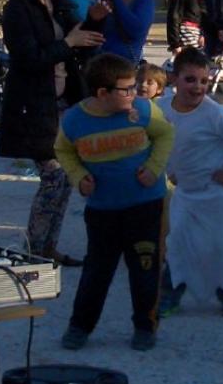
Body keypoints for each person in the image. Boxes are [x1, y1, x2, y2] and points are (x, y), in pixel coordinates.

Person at [57, 53, 175, 352]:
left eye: (135, 87)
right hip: (102, 210)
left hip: (146, 206)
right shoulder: (74, 120)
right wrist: (79, 177)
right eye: (127, 89)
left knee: (145, 269)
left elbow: (165, 136)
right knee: (97, 271)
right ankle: (80, 326)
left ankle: (145, 325)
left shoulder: (143, 111)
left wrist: (153, 168)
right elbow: (64, 152)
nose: (135, 93)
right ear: (102, 94)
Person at [1, 0, 102, 267]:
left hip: (60, 102)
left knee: (65, 178)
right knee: (55, 176)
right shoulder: (18, 9)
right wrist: (68, 44)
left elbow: (76, 38)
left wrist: (93, 23)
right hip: (34, 104)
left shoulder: (53, 2)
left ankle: (47, 248)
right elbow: (29, 57)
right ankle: (34, 249)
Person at [157, 48, 223, 317]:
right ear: (174, 79)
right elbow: (158, 140)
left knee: (221, 247)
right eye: (190, 80)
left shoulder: (215, 114)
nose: (198, 87)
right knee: (178, 245)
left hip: (217, 195)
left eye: (203, 81)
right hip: (187, 193)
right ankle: (170, 295)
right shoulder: (161, 109)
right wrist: (169, 169)